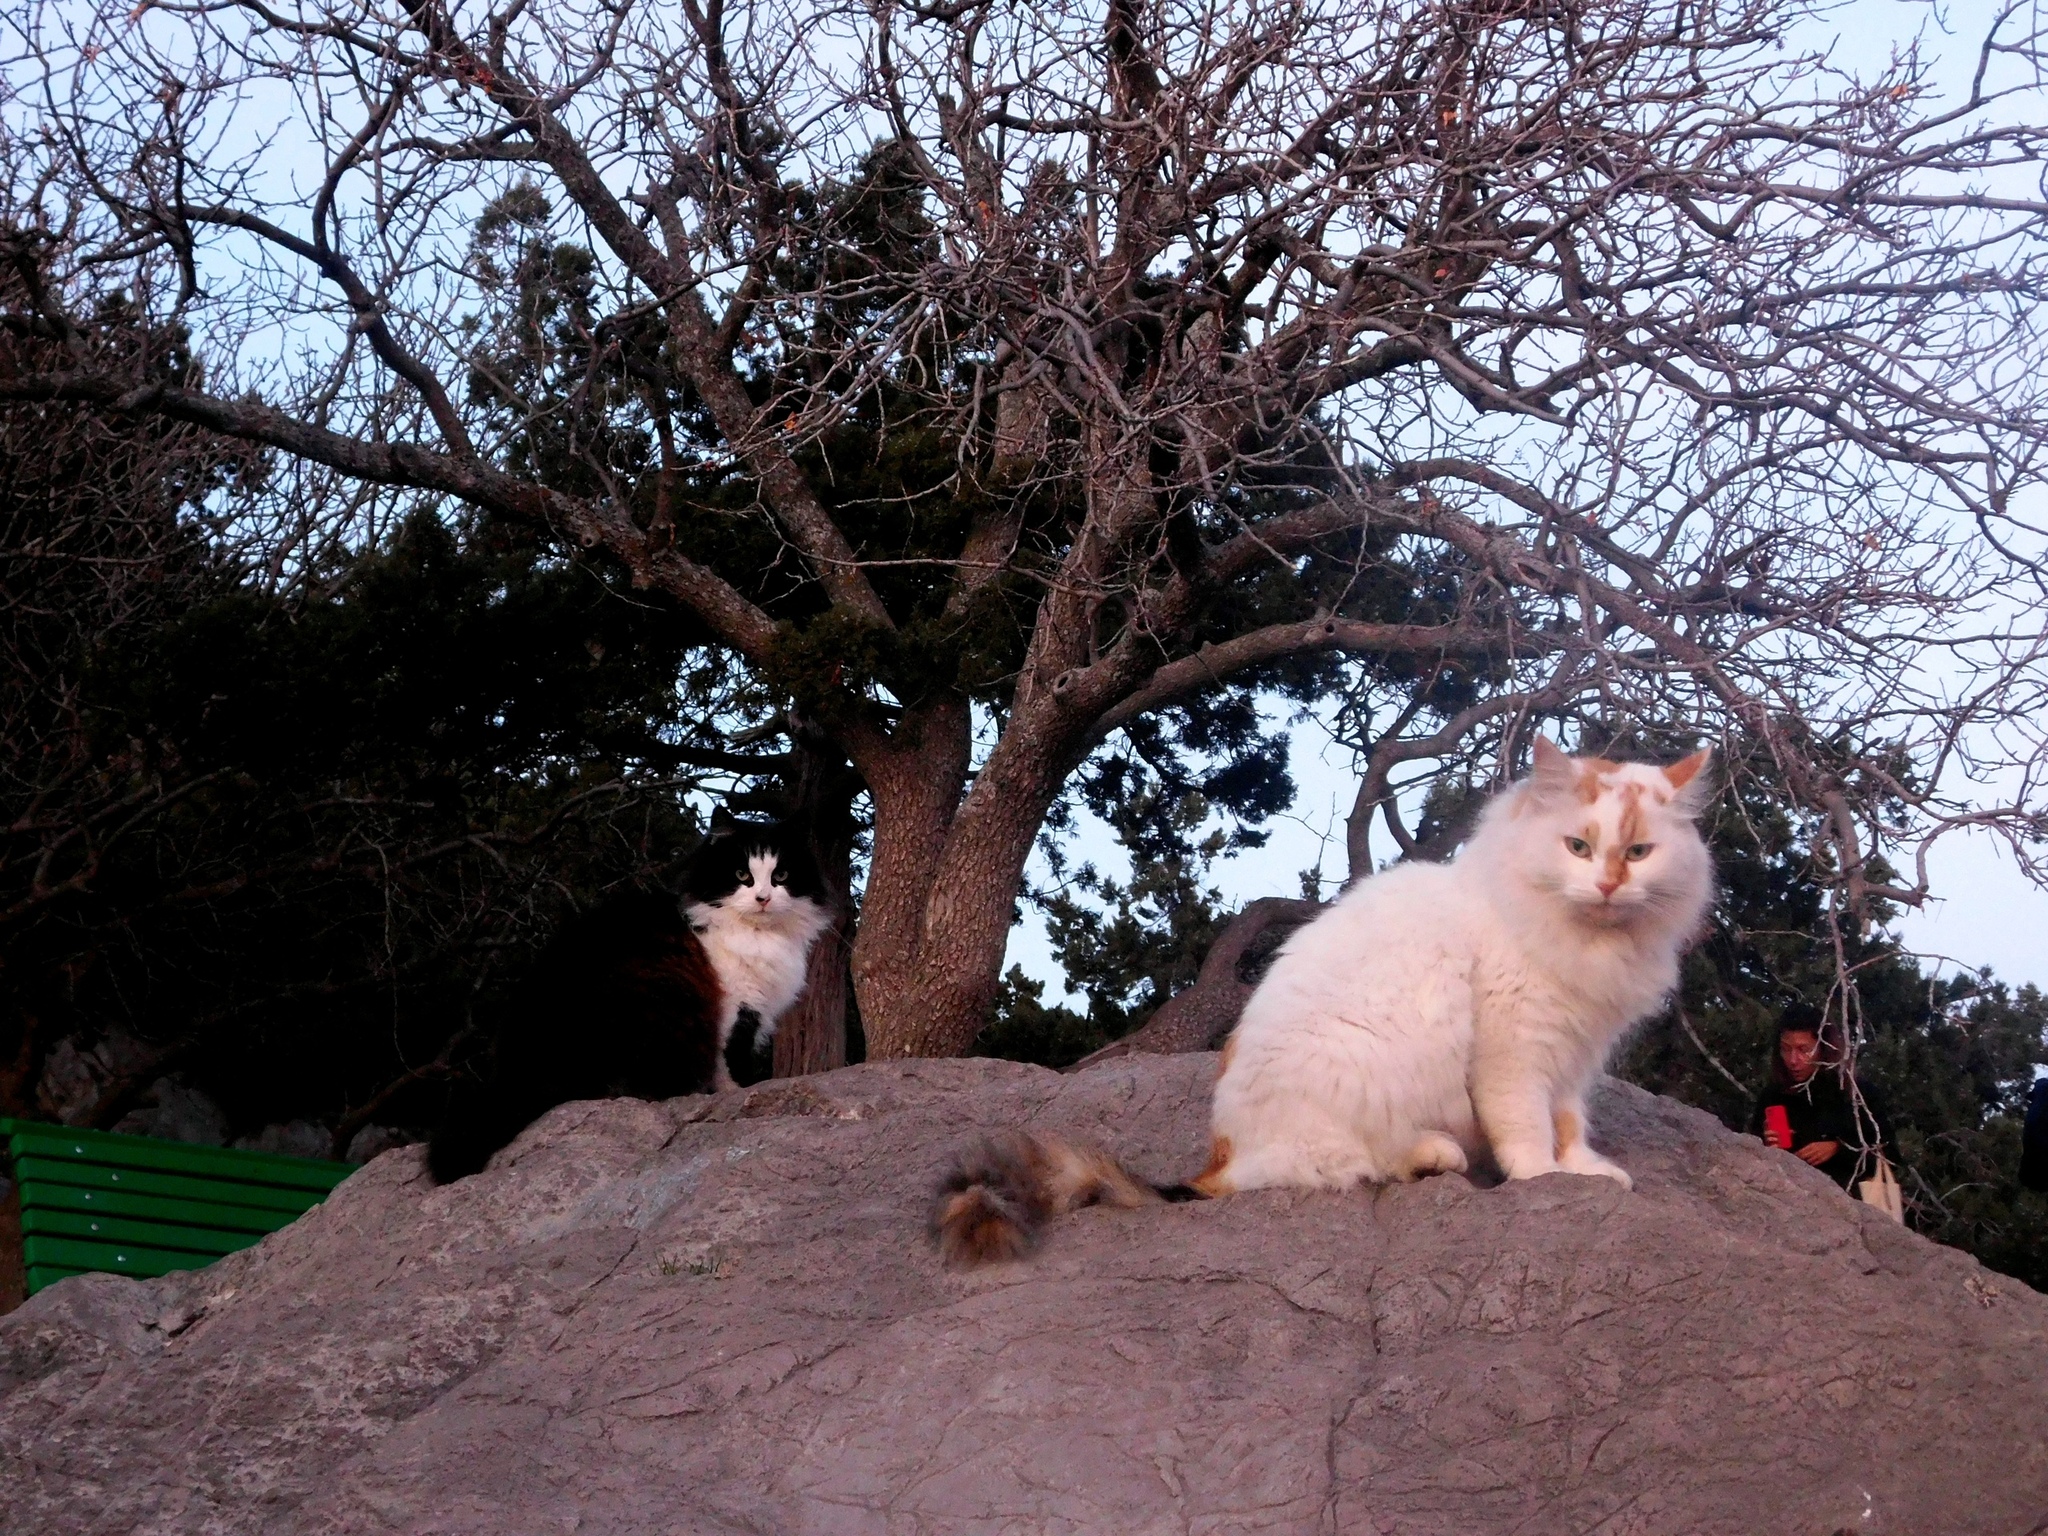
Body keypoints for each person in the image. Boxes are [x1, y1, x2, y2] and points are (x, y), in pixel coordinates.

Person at [1749, 1009, 1893, 1193]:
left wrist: (1838, 1149)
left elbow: (1889, 1157)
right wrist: (1765, 1143)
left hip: (1850, 1204)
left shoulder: (1855, 1092)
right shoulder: (1774, 1095)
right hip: (1789, 1202)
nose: (1793, 1060)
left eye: (1804, 1049)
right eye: (1785, 1049)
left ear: (1824, 1048)